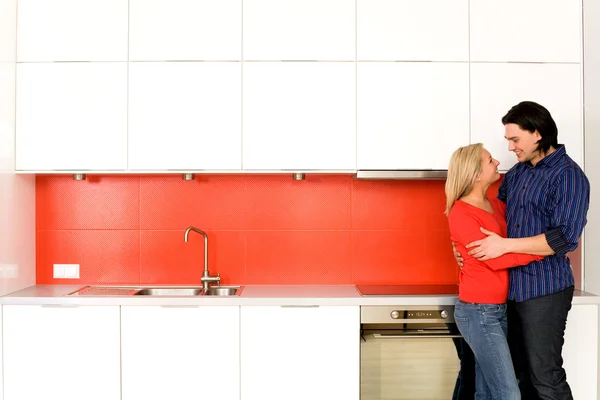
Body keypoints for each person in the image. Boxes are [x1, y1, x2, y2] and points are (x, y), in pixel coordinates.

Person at [455, 101, 590, 400]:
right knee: (516, 378)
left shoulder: (568, 176)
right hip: (507, 294)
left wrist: (505, 246)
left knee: (545, 377)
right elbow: (495, 221)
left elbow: (564, 238)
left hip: (544, 290)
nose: (511, 147)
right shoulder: (516, 175)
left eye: (515, 139)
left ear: (538, 134)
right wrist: (461, 246)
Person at [445, 143, 544, 400]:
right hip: (478, 311)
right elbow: (495, 259)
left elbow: (506, 247)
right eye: (490, 160)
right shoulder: (461, 212)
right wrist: (544, 249)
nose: (497, 162)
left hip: (498, 309)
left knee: (488, 391)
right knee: (508, 393)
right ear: (476, 174)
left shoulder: (496, 206)